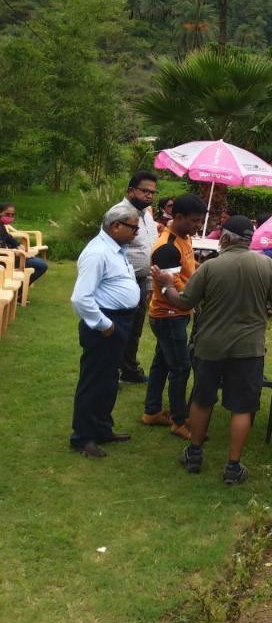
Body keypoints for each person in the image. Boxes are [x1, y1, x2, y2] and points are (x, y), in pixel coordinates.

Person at [151, 215, 272, 484]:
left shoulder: (209, 268)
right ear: (249, 240)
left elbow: (183, 303)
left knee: (202, 400)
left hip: (209, 346)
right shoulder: (266, 266)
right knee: (242, 407)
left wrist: (166, 285)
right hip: (248, 349)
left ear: (224, 239)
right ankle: (232, 467)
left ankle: (194, 454)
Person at [69, 202, 144, 458]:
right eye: (133, 228)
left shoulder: (116, 249)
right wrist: (104, 324)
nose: (136, 233)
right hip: (105, 324)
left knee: (110, 377)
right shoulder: (97, 252)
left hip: (119, 321)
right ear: (115, 226)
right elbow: (81, 298)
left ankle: (102, 427)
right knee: (94, 379)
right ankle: (83, 436)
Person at [142, 194, 207, 439]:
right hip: (169, 315)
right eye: (193, 221)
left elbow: (188, 272)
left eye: (200, 221)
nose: (197, 226)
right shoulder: (167, 248)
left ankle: (152, 411)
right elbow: (174, 291)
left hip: (177, 314)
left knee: (162, 362)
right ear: (177, 217)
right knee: (180, 367)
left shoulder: (184, 238)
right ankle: (179, 421)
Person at [116, 171, 159, 384]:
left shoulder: (147, 216)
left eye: (153, 192)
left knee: (134, 328)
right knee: (120, 327)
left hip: (141, 281)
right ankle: (112, 374)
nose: (149, 196)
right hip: (122, 281)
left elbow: (150, 249)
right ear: (131, 190)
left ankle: (129, 369)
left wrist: (150, 282)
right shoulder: (120, 214)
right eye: (144, 191)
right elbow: (112, 250)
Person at [0, 202, 49, 294]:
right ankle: (19, 293)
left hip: (10, 256)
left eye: (12, 215)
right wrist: (14, 251)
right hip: (5, 260)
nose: (10, 217)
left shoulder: (2, 227)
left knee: (40, 263)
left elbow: (9, 238)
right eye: (7, 214)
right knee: (41, 266)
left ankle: (19, 291)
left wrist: (18, 246)